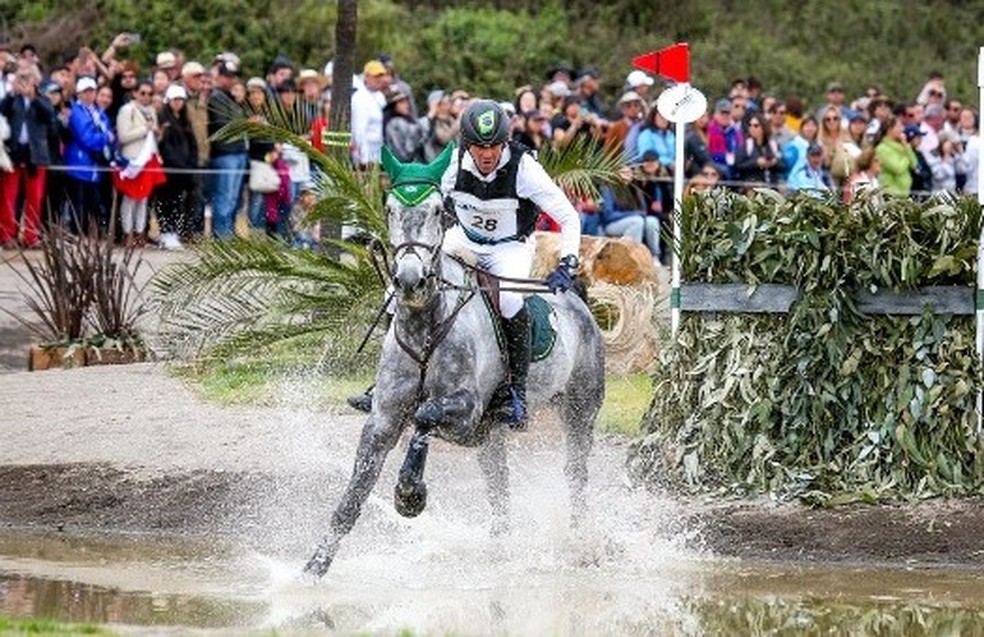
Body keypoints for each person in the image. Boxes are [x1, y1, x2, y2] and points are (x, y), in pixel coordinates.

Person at [350, 100, 581, 429]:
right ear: (467, 144)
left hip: (509, 248)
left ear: (505, 142)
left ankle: (515, 394)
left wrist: (568, 262)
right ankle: (385, 383)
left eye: (493, 146)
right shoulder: (454, 164)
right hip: (463, 239)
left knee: (512, 300)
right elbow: (422, 204)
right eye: (477, 146)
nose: (486, 154)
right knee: (395, 288)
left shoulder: (524, 168)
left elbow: (568, 216)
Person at [0, 65, 54, 248]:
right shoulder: (11, 100)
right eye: (21, 77)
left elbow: (50, 118)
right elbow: (2, 112)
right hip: (14, 152)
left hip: (36, 154)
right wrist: (12, 92)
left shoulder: (43, 99)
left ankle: (31, 236)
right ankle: (7, 235)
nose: (24, 81)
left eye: (28, 77)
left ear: (36, 80)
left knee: (35, 197)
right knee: (8, 196)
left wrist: (33, 97)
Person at [155, 83, 197, 250]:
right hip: (169, 169)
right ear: (168, 101)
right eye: (175, 99)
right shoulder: (163, 119)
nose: (178, 102)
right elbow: (164, 146)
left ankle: (173, 233)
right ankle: (165, 233)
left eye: (181, 99)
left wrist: (190, 163)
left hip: (183, 170)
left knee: (178, 202)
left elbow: (193, 144)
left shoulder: (185, 119)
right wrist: (177, 163)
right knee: (165, 202)